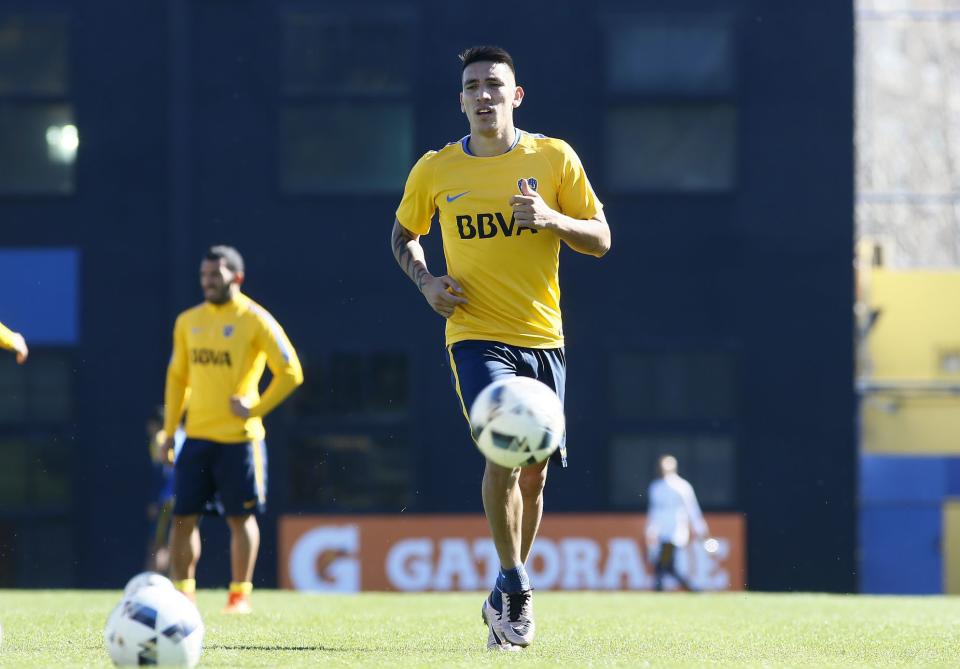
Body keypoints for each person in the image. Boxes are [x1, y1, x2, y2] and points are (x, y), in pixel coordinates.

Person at [390, 45, 610, 651]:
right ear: (460, 100)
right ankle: (515, 585)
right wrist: (426, 280)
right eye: (472, 86)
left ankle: (504, 589)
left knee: (535, 475)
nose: (483, 95)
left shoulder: (553, 157)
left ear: (516, 96)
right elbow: (404, 234)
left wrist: (551, 219)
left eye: (494, 85)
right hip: (474, 333)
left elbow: (601, 238)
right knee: (503, 452)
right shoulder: (436, 169)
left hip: (544, 338)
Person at [162, 245, 303, 613]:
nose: (208, 282)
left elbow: (291, 372)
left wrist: (255, 408)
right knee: (182, 517)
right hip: (196, 436)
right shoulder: (187, 321)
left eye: (216, 275)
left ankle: (239, 596)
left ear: (236, 278)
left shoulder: (254, 319)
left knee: (240, 519)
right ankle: (182, 596)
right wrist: (169, 430)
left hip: (240, 440)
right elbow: (178, 378)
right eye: (204, 275)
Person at [645, 455, 708, 592]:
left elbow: (692, 509)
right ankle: (693, 589)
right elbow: (654, 511)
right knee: (667, 566)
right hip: (661, 532)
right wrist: (650, 530)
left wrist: (700, 527)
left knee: (662, 565)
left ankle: (659, 591)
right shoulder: (655, 487)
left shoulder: (682, 486)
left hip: (675, 532)